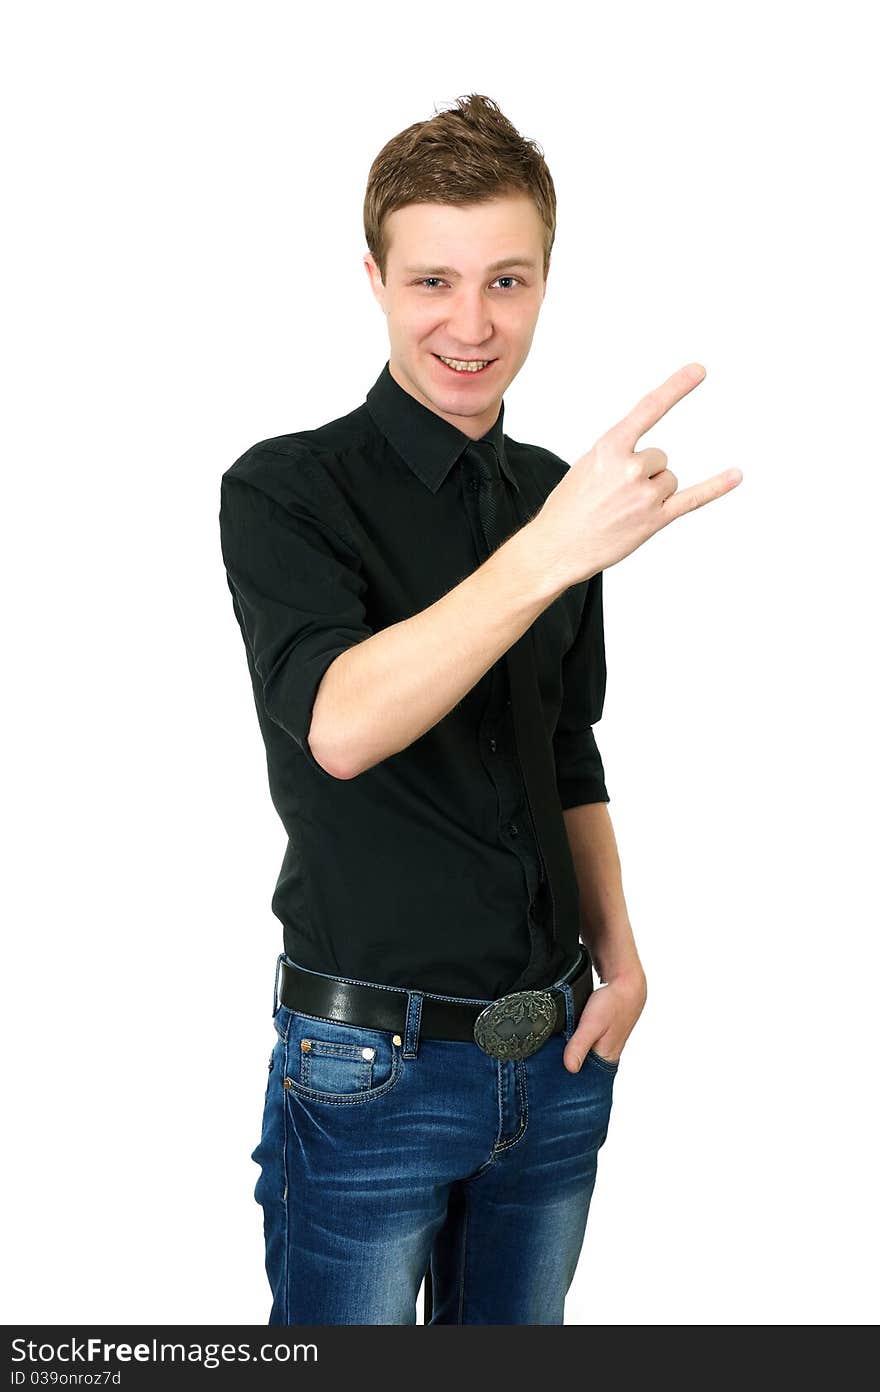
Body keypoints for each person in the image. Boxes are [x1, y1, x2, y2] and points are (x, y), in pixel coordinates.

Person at [218, 93, 741, 1326]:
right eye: (433, 281)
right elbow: (341, 727)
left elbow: (566, 749)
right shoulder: (285, 488)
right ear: (376, 279)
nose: (470, 323)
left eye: (507, 281)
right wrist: (549, 552)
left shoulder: (561, 495)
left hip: (556, 1060)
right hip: (367, 1072)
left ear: (547, 280)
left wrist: (619, 960)